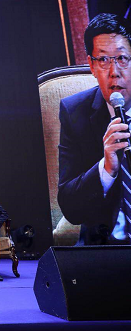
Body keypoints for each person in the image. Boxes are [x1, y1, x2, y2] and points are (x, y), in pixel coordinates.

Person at [58, 13, 131, 245]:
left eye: (122, 58)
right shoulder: (74, 112)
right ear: (91, 65)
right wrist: (106, 169)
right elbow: (70, 207)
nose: (114, 71)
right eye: (104, 60)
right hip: (104, 248)